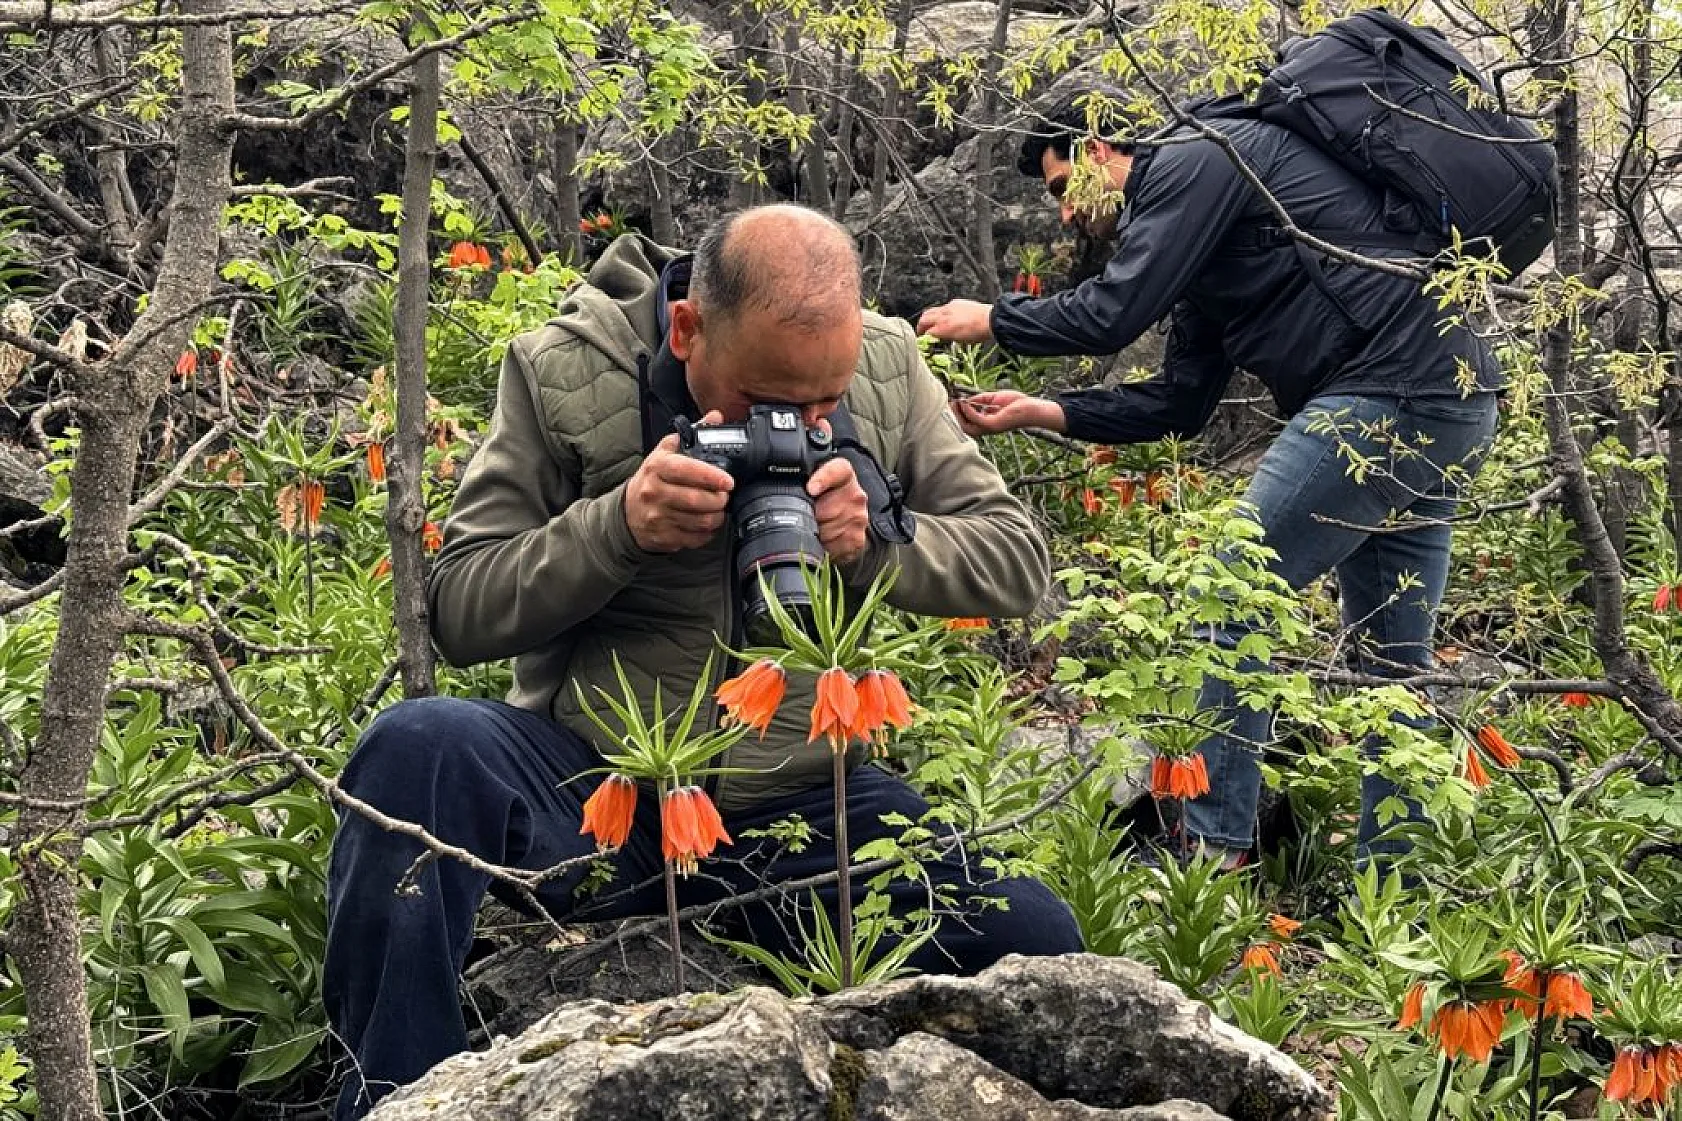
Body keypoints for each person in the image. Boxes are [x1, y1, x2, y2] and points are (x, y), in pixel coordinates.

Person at [322, 204, 1083, 1120]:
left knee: (1034, 938)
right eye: (765, 400)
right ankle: (395, 1099)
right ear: (686, 328)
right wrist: (617, 528)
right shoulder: (564, 367)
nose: (798, 422)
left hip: (802, 810)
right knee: (417, 747)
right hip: (604, 793)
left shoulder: (887, 366)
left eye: (821, 407)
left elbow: (1016, 558)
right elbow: (459, 605)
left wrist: (878, 541)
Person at [918, 83, 1501, 871]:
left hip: (1391, 393)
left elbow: (1111, 314)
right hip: (1447, 398)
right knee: (1392, 659)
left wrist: (992, 319)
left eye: (1061, 189)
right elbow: (1180, 403)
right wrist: (1039, 412)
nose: (1063, 213)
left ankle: (1212, 847)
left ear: (1098, 152)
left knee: (1232, 589)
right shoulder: (1208, 223)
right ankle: (1396, 880)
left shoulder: (1197, 159)